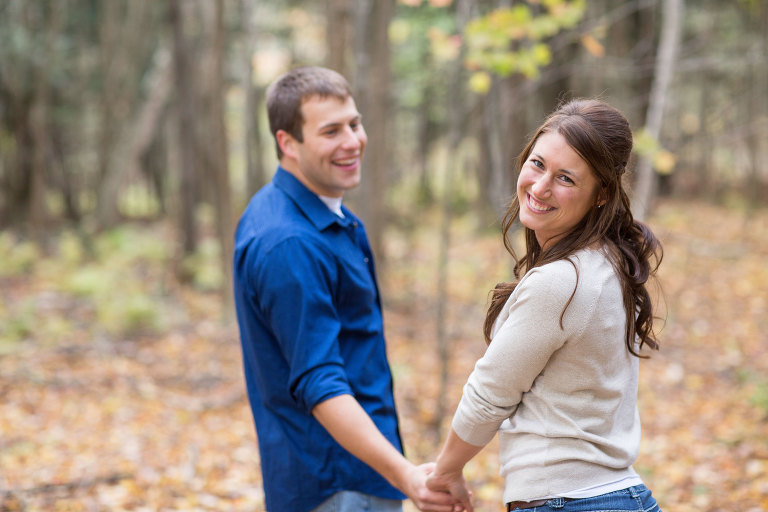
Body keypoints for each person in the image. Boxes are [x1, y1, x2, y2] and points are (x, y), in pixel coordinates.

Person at [233, 66, 459, 512]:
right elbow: (320, 382)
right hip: (337, 486)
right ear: (287, 143)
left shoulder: (316, 215)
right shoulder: (289, 242)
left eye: (354, 124)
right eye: (331, 131)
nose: (352, 141)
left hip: (352, 477)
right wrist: (406, 475)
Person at [425, 99, 664, 512]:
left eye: (566, 178)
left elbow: (489, 395)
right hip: (617, 497)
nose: (539, 188)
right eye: (537, 164)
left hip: (568, 502)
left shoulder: (561, 281)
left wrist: (445, 472)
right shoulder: (607, 260)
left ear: (602, 193)